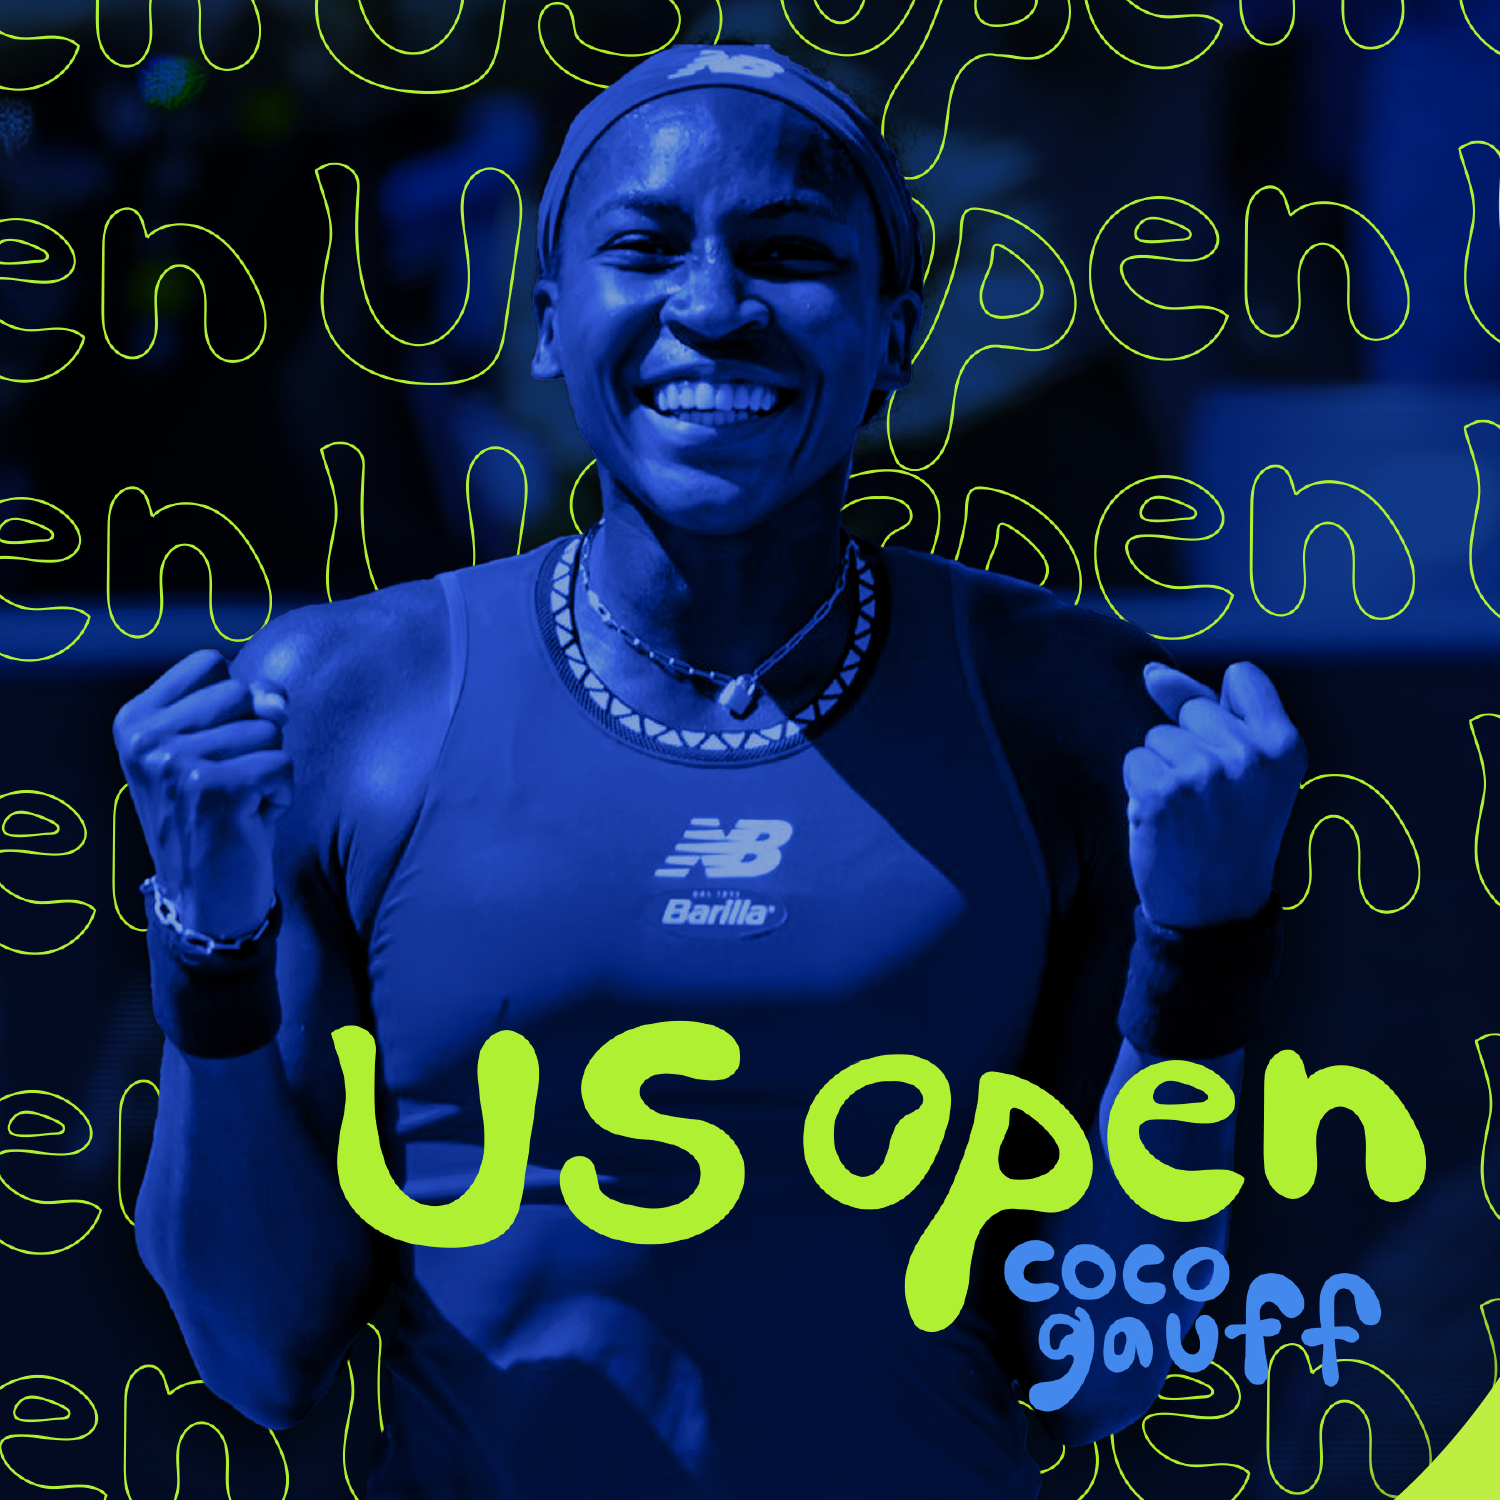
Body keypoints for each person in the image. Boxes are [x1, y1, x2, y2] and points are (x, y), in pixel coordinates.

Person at [113, 43, 1306, 1499]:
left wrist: (1207, 946)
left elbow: (1109, 1371)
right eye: (645, 247)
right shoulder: (341, 705)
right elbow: (255, 1351)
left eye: (791, 252)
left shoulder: (1071, 711)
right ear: (550, 326)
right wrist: (210, 946)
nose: (715, 308)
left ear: (897, 337)